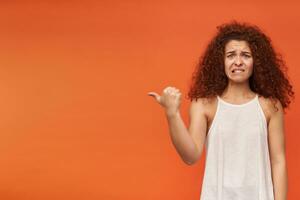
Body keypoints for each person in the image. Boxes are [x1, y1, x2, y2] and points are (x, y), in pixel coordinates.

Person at [147, 20, 294, 200]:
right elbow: (190, 156)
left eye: (246, 55)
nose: (238, 61)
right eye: (231, 55)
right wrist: (172, 114)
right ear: (221, 61)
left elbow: (278, 162)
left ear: (257, 61)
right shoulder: (204, 105)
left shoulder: (270, 106)